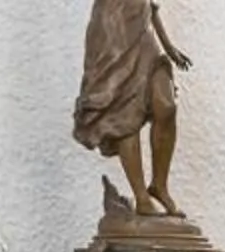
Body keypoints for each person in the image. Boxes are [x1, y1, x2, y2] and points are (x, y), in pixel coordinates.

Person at [74, 0, 193, 217]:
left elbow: (150, 4)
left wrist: (168, 46)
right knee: (124, 113)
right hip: (112, 32)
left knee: (166, 106)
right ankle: (141, 198)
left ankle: (159, 185)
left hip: (141, 31)